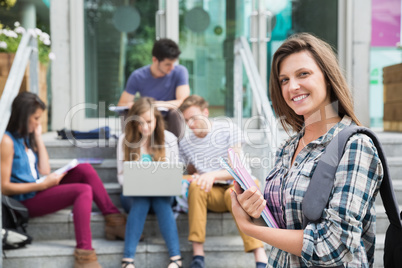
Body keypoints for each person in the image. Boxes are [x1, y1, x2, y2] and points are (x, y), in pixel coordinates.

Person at [230, 33, 384, 267]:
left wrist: (249, 228)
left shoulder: (355, 145)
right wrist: (255, 212)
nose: (292, 86)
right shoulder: (287, 147)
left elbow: (335, 245)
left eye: (303, 74)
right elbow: (284, 226)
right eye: (284, 80)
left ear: (328, 78)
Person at [0, 92, 126, 268]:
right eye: (36, 118)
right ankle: (84, 256)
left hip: (39, 187)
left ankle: (114, 221)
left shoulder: (25, 138)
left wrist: (37, 137)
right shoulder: (7, 141)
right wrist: (43, 184)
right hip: (24, 202)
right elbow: (4, 187)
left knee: (85, 169)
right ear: (23, 115)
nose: (38, 123)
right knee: (82, 190)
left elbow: (43, 170)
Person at [178, 95, 268, 268]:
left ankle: (260, 256)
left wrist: (211, 175)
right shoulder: (186, 143)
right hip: (212, 192)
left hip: (240, 186)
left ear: (205, 112)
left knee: (233, 193)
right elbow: (192, 172)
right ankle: (198, 256)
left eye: (193, 118)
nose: (190, 124)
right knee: (196, 186)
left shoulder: (227, 128)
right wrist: (198, 177)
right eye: (186, 120)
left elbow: (237, 169)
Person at [117, 97, 183, 268]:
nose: (145, 127)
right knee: (141, 199)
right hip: (134, 197)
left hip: (163, 196)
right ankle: (129, 260)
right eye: (139, 123)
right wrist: (137, 184)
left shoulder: (168, 139)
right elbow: (121, 176)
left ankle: (175, 258)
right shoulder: (125, 140)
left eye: (148, 122)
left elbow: (175, 174)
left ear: (156, 119)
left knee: (160, 200)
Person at [117, 38, 190, 139]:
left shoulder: (180, 72)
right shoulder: (138, 76)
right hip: (147, 119)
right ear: (155, 60)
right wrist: (134, 106)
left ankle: (177, 148)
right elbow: (122, 104)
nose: (172, 68)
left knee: (175, 113)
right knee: (126, 113)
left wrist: (157, 104)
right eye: (168, 64)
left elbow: (184, 102)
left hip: (169, 119)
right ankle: (130, 148)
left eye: (174, 63)